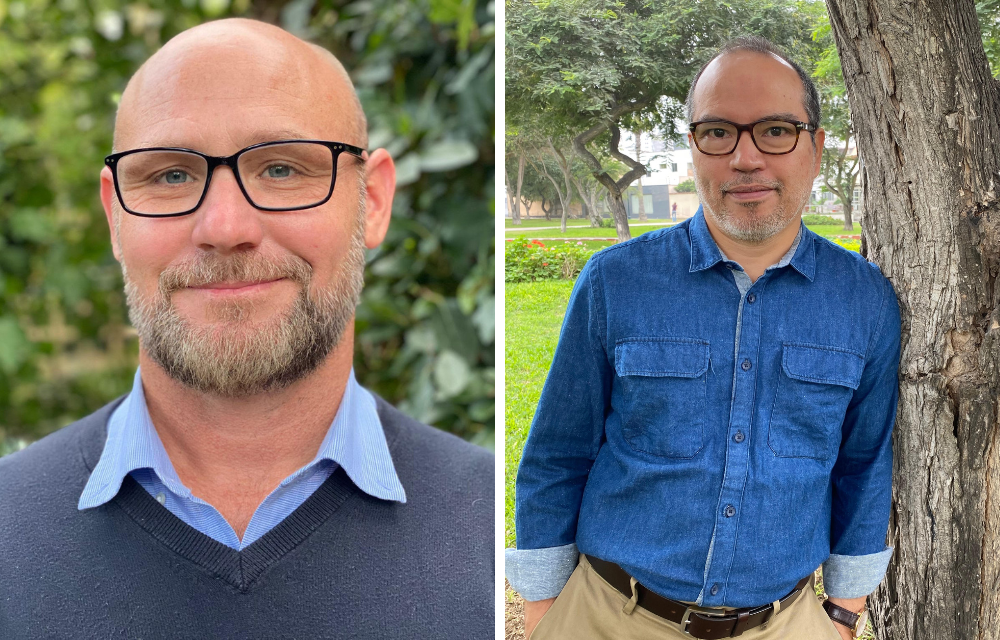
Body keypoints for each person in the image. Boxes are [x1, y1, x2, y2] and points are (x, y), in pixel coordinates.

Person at [0, 18, 492, 639]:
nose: (226, 226)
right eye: (171, 175)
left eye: (282, 169)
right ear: (115, 217)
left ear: (371, 203)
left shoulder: (487, 527)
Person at [507, 36, 900, 640]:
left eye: (775, 130)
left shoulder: (864, 300)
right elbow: (558, 452)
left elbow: (863, 463)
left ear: (816, 149)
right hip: (609, 617)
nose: (745, 158)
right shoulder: (616, 282)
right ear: (694, 146)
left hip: (788, 624)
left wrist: (845, 614)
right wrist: (543, 612)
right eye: (718, 131)